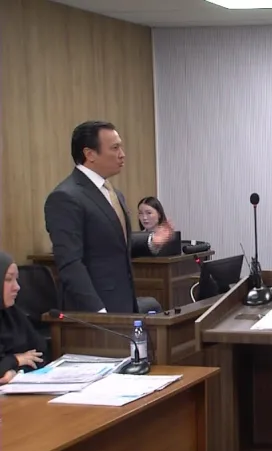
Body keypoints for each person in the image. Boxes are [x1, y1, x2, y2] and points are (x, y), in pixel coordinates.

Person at [44, 120, 175, 314]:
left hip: (124, 303)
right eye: (115, 148)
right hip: (95, 311)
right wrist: (98, 311)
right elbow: (70, 263)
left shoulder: (114, 193)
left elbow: (113, 243)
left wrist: (151, 242)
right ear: (90, 154)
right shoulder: (65, 197)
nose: (122, 154)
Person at [0, 251, 47, 385]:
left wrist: (15, 370)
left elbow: (41, 355)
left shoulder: (12, 313)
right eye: (8, 279)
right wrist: (15, 360)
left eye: (16, 279)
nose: (17, 287)